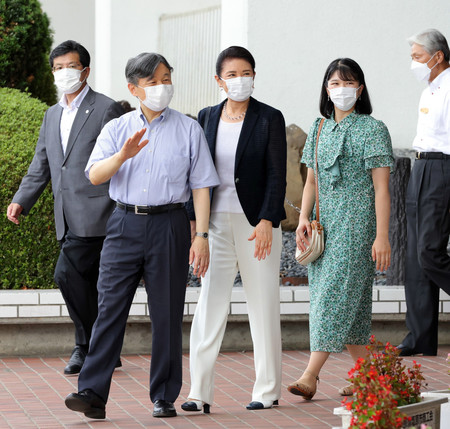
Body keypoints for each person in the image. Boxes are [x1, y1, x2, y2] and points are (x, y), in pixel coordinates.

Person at [64, 52, 219, 420]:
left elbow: (201, 186)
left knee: (166, 312)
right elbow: (95, 175)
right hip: (123, 225)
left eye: (166, 78)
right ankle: (92, 392)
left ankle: (163, 396)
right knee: (109, 309)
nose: (162, 86)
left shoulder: (189, 129)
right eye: (153, 81)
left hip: (170, 225)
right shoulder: (117, 129)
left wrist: (202, 236)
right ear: (134, 88)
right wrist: (123, 156)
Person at [6, 40, 124, 375]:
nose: (63, 73)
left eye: (69, 67)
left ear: (85, 71)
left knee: (66, 275)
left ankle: (86, 347)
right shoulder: (51, 113)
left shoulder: (105, 108)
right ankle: (102, 349)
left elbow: (117, 162)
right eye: (57, 68)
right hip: (66, 215)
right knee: (84, 284)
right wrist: (21, 200)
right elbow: (42, 164)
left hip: (99, 214)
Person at [182, 46, 287, 413]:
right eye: (232, 74)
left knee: (263, 305)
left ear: (254, 76)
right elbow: (195, 173)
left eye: (246, 73)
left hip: (254, 223)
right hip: (214, 224)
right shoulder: (206, 117)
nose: (240, 80)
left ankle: (267, 389)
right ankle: (199, 391)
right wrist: (197, 229)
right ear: (219, 80)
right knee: (210, 303)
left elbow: (277, 173)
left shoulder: (269, 118)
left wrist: (266, 221)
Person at [286, 58, 394, 400]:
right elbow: (311, 182)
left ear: (359, 89)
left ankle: (310, 374)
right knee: (351, 306)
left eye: (348, 83)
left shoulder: (373, 129)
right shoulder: (318, 128)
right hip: (324, 227)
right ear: (326, 89)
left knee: (333, 300)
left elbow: (382, 188)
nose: (341, 89)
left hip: (357, 227)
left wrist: (381, 235)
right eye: (334, 83)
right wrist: (303, 218)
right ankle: (371, 378)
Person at [397, 29, 450, 357]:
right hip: (420, 166)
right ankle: (420, 337)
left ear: (438, 56)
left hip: (443, 168)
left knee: (429, 250)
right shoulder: (430, 89)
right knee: (415, 259)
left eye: (417, 57)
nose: (413, 63)